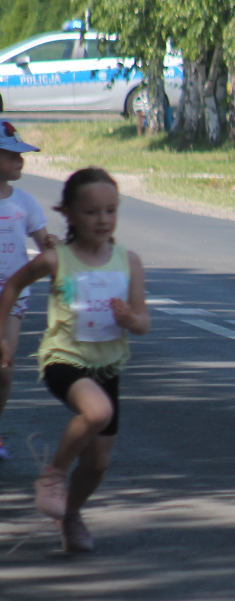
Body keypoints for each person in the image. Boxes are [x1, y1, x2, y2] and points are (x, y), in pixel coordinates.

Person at [0, 168, 150, 553]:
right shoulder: (56, 259)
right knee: (96, 412)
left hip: (108, 366)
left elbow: (143, 321)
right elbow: (13, 284)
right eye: (91, 212)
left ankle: (71, 516)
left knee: (98, 463)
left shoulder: (128, 261)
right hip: (63, 359)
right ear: (67, 213)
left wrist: (131, 320)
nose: (102, 220)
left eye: (110, 211)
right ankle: (53, 475)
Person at [0, 122, 56, 461]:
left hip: (14, 294)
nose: (21, 162)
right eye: (12, 156)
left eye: (22, 156)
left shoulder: (26, 203)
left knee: (4, 367)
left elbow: (44, 245)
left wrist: (53, 247)